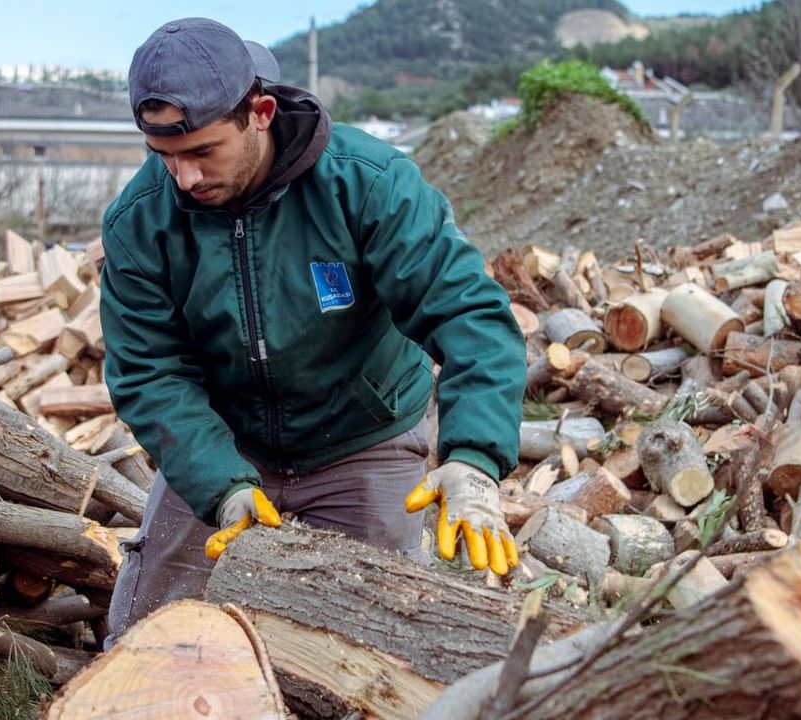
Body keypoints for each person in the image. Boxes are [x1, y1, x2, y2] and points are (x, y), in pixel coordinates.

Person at [99, 17, 526, 640]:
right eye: (164, 157)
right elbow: (149, 373)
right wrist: (220, 486)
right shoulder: (141, 222)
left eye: (200, 152)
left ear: (261, 113)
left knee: (383, 644)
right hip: (225, 440)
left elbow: (468, 314)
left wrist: (474, 458)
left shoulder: (369, 184)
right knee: (150, 632)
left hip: (361, 438)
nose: (184, 178)